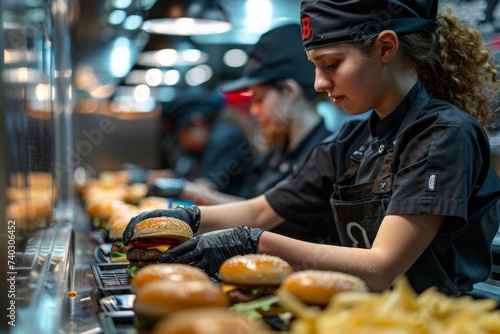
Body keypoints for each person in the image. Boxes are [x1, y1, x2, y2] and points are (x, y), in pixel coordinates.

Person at [124, 0, 500, 296]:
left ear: (385, 47)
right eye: (315, 66)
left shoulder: (443, 135)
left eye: (331, 64)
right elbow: (261, 209)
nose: (319, 83)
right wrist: (189, 218)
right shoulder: (352, 141)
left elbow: (382, 266)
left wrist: (253, 243)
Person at [179, 23, 336, 242]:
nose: (253, 109)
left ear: (290, 91)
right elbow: (251, 209)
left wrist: (195, 209)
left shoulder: (328, 153)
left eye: (259, 98)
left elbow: (264, 218)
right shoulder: (274, 153)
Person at [148, 89, 253, 197]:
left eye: (179, 134)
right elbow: (182, 176)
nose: (181, 142)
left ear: (197, 121)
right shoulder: (200, 147)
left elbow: (203, 190)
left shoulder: (226, 139)